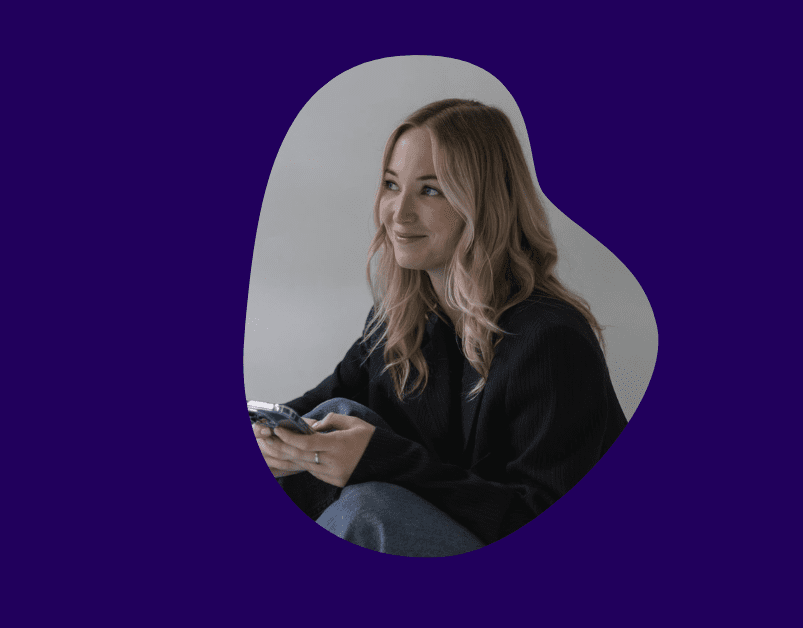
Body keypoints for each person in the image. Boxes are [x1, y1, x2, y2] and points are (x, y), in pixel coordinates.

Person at [253, 99, 627, 556]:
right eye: (392, 185)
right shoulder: (399, 320)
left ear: (484, 204)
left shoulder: (551, 340)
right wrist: (269, 437)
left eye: (430, 190)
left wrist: (381, 460)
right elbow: (314, 406)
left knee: (368, 512)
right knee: (328, 419)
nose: (398, 213)